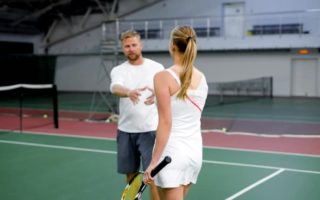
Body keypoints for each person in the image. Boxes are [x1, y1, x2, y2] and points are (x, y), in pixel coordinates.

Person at [144, 25, 208, 199]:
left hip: (171, 156)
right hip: (194, 154)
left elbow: (166, 122)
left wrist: (153, 162)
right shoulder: (202, 78)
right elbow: (184, 105)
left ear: (172, 44)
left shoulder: (162, 77)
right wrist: (158, 95)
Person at [109, 30, 164, 200]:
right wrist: (129, 92)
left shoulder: (157, 67)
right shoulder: (118, 70)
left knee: (152, 177)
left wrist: (157, 94)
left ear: (141, 45)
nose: (131, 49)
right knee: (131, 177)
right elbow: (115, 88)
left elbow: (167, 91)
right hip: (126, 131)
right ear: (122, 49)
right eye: (127, 46)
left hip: (150, 131)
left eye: (134, 45)